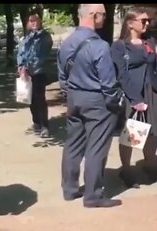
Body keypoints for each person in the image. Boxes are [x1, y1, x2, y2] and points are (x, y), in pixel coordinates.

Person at [58, 4, 122, 208]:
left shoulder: (66, 43)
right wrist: (114, 103)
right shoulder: (100, 46)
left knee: (73, 144)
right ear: (93, 16)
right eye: (103, 14)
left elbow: (62, 77)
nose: (105, 17)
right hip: (96, 100)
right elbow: (108, 83)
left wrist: (71, 94)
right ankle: (93, 195)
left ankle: (69, 189)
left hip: (74, 98)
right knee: (97, 147)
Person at [111, 7, 157, 188]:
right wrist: (135, 99)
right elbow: (121, 74)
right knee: (133, 134)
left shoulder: (150, 42)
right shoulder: (119, 46)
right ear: (130, 23)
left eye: (148, 21)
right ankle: (126, 170)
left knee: (152, 132)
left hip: (152, 92)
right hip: (134, 95)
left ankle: (150, 165)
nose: (147, 24)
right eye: (143, 21)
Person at [17, 10, 54, 138]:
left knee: (40, 99)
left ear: (40, 22)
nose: (33, 23)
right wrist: (21, 67)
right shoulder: (26, 38)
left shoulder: (45, 37)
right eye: (31, 21)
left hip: (39, 72)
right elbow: (20, 53)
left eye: (35, 20)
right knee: (30, 100)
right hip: (26, 73)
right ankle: (36, 123)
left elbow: (42, 55)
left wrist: (29, 67)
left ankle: (45, 126)